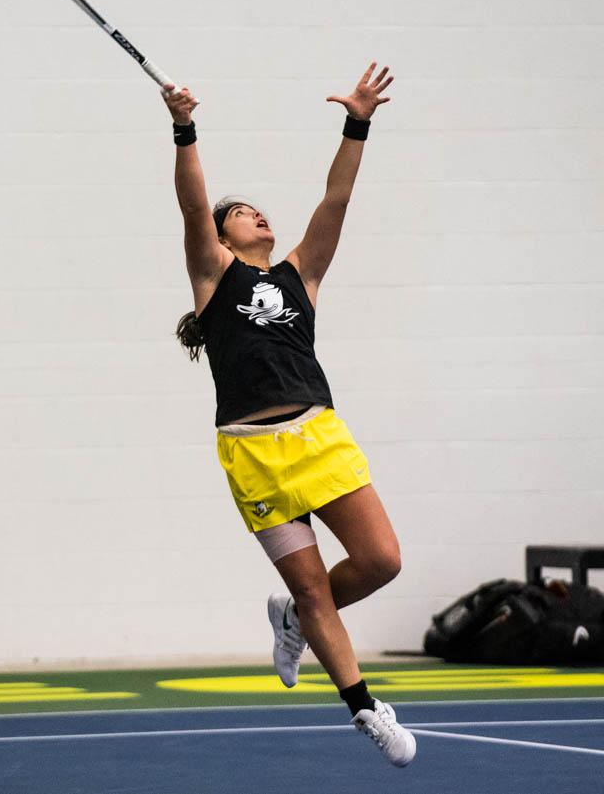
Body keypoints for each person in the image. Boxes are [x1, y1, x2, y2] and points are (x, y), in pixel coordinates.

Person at [164, 63, 415, 768]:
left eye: (259, 209)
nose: (257, 214)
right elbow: (192, 206)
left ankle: (293, 618)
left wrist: (357, 120)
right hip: (253, 451)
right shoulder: (216, 276)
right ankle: (365, 708)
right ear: (223, 235)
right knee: (311, 585)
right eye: (242, 211)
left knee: (381, 560)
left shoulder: (300, 274)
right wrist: (184, 127)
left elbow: (337, 197)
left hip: (319, 435)